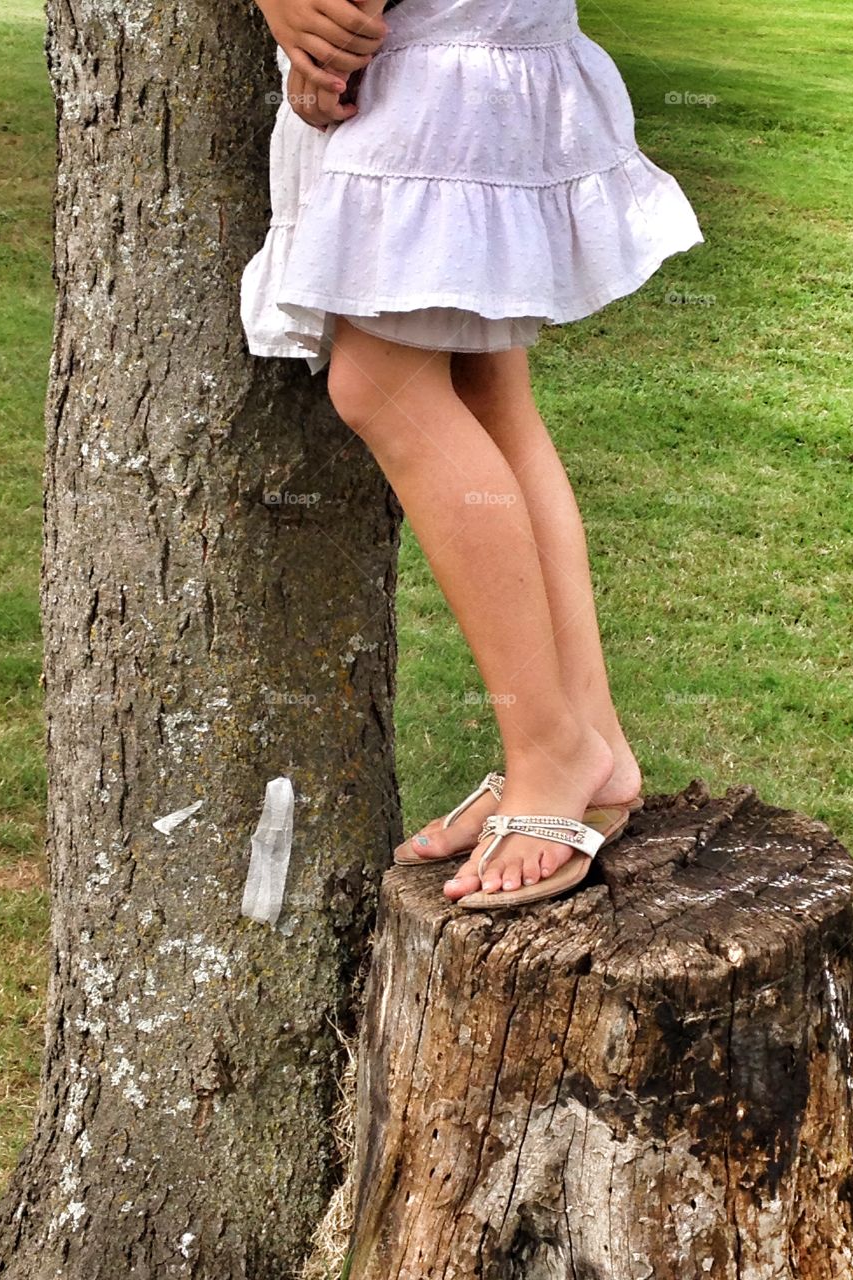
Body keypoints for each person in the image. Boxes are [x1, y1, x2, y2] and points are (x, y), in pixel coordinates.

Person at [241, 0, 704, 908]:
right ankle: (590, 744)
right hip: (468, 44)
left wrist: (329, 31)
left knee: (383, 387)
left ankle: (548, 749)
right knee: (490, 393)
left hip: (428, 51)